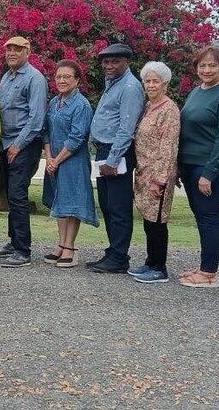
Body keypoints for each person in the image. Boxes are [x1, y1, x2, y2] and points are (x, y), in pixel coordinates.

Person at [177, 46, 219, 288]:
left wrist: (209, 173)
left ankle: (210, 273)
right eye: (202, 65)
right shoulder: (197, 91)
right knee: (202, 217)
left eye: (212, 65)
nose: (206, 69)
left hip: (211, 168)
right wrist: (181, 167)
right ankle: (205, 266)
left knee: (209, 217)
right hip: (193, 165)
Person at [86, 43, 144, 274]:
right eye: (106, 62)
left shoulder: (130, 87)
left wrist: (112, 159)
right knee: (108, 205)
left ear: (126, 62)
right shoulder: (112, 84)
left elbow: (126, 128)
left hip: (116, 152)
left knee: (118, 207)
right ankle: (114, 252)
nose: (109, 66)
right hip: (104, 151)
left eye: (114, 61)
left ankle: (119, 257)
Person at [0, 36, 48, 268]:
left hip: (24, 144)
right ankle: (14, 242)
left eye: (17, 49)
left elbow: (36, 119)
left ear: (28, 52)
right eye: (9, 50)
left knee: (17, 194)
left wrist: (18, 145)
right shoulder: (7, 77)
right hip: (6, 143)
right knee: (10, 192)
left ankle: (23, 250)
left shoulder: (35, 79)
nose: (12, 53)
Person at [41, 60, 97, 268]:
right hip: (53, 160)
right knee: (59, 202)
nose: (62, 80)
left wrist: (57, 160)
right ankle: (60, 244)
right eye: (59, 77)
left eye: (67, 77)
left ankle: (70, 248)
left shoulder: (81, 105)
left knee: (72, 203)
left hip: (72, 161)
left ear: (77, 80)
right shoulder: (55, 102)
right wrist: (48, 157)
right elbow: (45, 130)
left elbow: (77, 137)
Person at [129, 62, 180, 284]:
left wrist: (160, 179)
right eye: (148, 81)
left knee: (158, 221)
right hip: (143, 172)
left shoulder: (169, 109)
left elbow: (168, 147)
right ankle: (150, 261)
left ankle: (160, 267)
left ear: (165, 84)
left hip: (158, 175)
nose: (151, 85)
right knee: (148, 220)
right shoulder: (149, 107)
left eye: (155, 81)